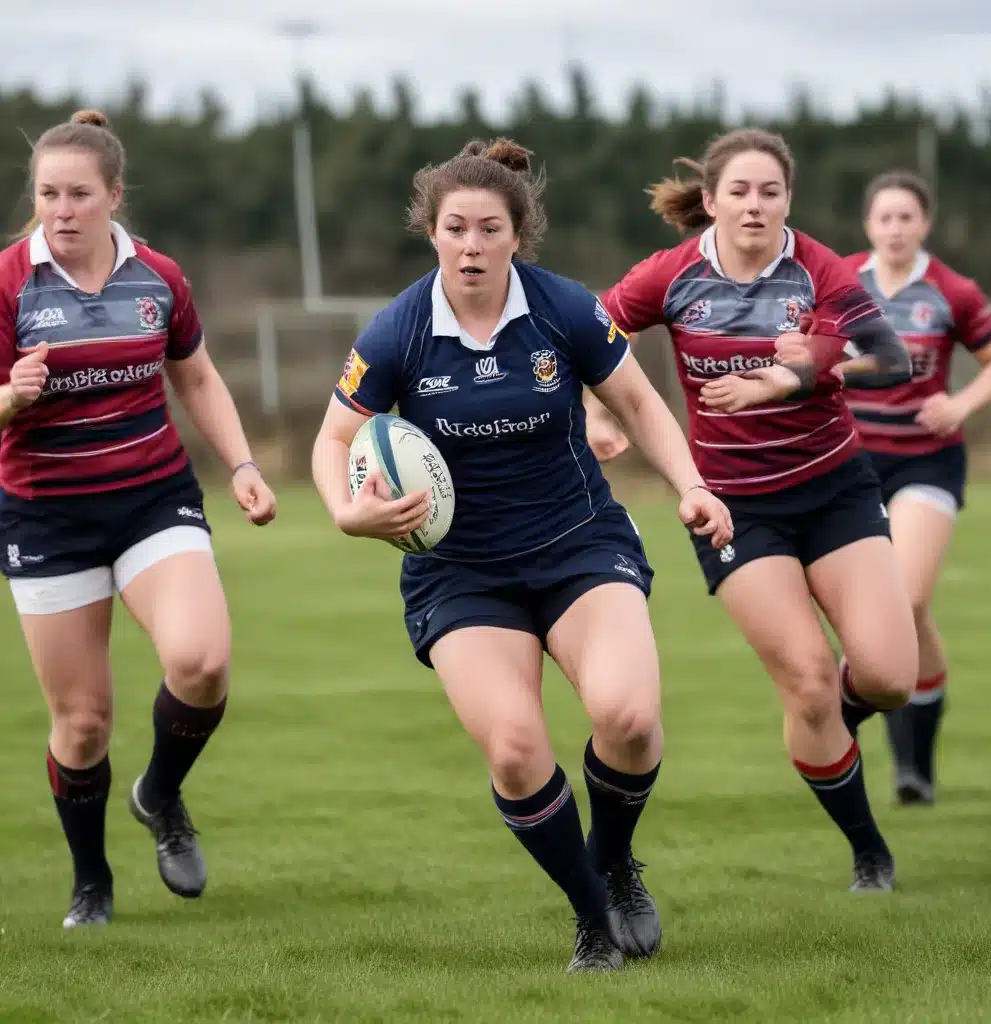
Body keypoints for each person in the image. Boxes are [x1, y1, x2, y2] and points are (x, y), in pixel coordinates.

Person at [311, 138, 732, 972]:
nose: (472, 246)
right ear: (432, 232)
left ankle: (614, 862)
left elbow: (642, 405)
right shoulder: (399, 329)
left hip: (579, 543)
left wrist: (690, 482)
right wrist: (346, 512)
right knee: (513, 747)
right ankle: (589, 916)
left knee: (628, 716)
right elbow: (334, 438)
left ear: (517, 235)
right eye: (456, 228)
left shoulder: (563, 308)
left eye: (489, 229)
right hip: (461, 570)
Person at [589, 129, 919, 893]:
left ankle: (833, 712)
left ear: (787, 200)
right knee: (805, 681)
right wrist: (593, 411)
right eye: (738, 191)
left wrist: (788, 376)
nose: (754, 205)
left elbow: (890, 357)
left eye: (770, 191)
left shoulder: (819, 269)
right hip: (735, 507)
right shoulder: (670, 276)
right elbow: (589, 338)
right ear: (709, 201)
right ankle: (867, 848)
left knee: (890, 677)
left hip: (834, 488)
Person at [0, 109, 277, 929]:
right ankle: (92, 880)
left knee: (202, 663)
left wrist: (244, 464)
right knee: (81, 725)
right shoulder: (10, 282)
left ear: (113, 196)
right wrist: (11, 398)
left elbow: (195, 378)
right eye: (48, 193)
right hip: (46, 516)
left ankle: (160, 793)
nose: (62, 209)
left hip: (153, 497)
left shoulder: (157, 276)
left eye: (80, 194)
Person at [839, 170, 991, 806]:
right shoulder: (842, 282)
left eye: (906, 218)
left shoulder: (951, 291)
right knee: (886, 613)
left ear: (925, 223)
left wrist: (961, 404)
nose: (895, 228)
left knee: (906, 599)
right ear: (868, 226)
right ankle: (909, 769)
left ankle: (905, 751)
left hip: (926, 464)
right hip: (850, 464)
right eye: (884, 218)